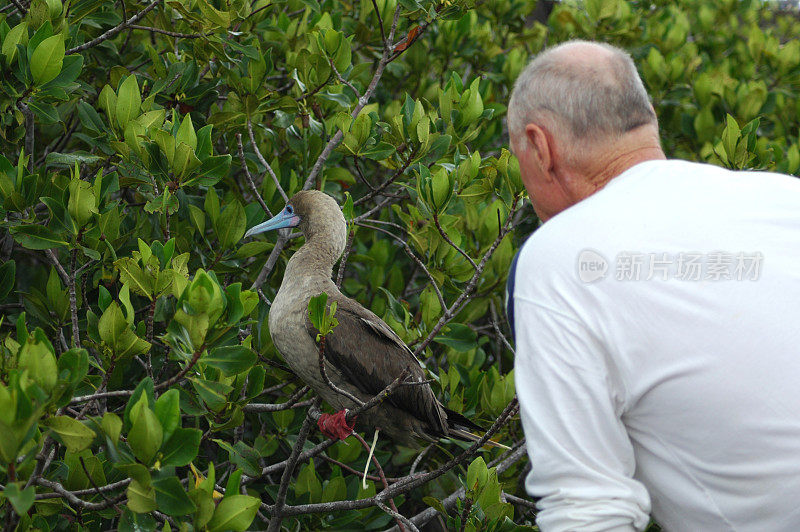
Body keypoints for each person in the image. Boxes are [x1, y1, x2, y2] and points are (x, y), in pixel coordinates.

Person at [506, 40, 800, 531]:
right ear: (646, 120)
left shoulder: (556, 261)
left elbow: (589, 511)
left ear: (540, 147)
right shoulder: (786, 200)